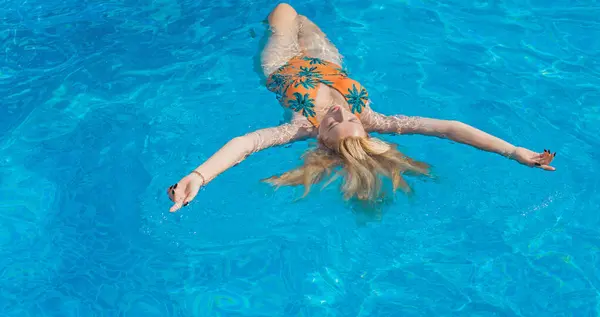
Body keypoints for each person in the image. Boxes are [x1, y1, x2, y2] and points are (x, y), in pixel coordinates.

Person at [166, 3, 556, 212]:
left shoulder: (299, 126)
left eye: (334, 122)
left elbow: (243, 143)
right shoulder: (376, 120)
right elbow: (450, 127)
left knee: (283, 11)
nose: (339, 113)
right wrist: (513, 151)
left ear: (321, 139)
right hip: (328, 61)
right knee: (304, 16)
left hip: (282, 62)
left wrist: (198, 177)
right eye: (348, 117)